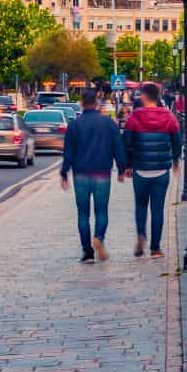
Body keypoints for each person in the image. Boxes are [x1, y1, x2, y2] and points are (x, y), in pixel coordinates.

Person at [60, 89, 127, 262]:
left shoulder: (75, 125)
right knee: (101, 210)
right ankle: (99, 237)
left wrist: (64, 173)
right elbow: (117, 147)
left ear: (82, 104)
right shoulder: (108, 123)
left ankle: (87, 251)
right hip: (102, 173)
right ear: (96, 103)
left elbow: (68, 152)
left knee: (83, 213)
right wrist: (121, 169)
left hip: (81, 174)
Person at [122, 82, 182, 258]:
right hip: (161, 170)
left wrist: (127, 165)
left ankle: (141, 235)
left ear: (143, 96)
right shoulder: (169, 117)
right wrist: (176, 158)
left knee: (141, 206)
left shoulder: (134, 117)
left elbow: (127, 143)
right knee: (158, 209)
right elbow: (177, 141)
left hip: (140, 169)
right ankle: (155, 249)